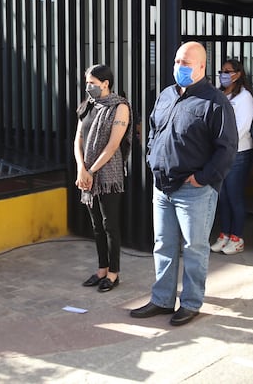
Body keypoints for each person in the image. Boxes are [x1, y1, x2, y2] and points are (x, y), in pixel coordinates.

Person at [130, 42, 237, 326]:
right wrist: (152, 156)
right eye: (178, 61)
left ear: (202, 66)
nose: (180, 67)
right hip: (162, 185)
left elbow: (227, 148)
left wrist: (202, 177)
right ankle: (162, 299)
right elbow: (153, 128)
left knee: (194, 247)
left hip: (194, 190)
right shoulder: (166, 95)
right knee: (163, 244)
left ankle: (190, 302)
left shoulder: (216, 102)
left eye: (187, 63)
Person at [74, 64, 132, 293]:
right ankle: (101, 269)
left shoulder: (120, 107)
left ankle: (113, 273)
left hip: (108, 174)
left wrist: (91, 171)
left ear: (106, 83)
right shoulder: (88, 106)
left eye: (92, 83)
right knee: (96, 225)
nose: (88, 87)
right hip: (87, 173)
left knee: (110, 225)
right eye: (87, 83)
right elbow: (77, 140)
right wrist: (81, 168)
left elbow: (112, 146)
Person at [210, 59, 253, 255]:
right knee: (223, 196)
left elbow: (241, 128)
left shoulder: (245, 98)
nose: (224, 74)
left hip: (238, 153)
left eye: (228, 71)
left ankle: (237, 237)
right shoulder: (219, 94)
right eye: (222, 71)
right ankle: (225, 234)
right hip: (219, 152)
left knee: (235, 196)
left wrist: (219, 140)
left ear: (238, 73)